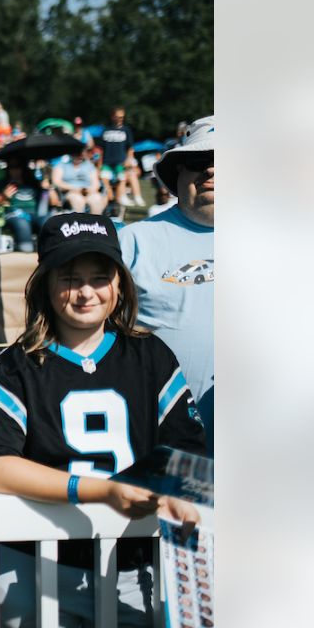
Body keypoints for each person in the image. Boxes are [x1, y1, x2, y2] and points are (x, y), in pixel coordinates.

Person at [0, 213, 206, 626]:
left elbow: (187, 448)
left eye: (99, 277)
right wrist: (101, 491)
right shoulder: (14, 367)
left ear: (120, 283)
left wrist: (177, 488)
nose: (85, 292)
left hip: (133, 564)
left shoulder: (151, 356)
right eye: (69, 278)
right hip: (35, 561)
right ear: (44, 283)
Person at [119, 116, 215, 452]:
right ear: (178, 174)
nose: (212, 171)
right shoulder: (132, 241)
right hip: (164, 446)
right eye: (198, 161)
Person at [0, 156, 49, 252]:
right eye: (11, 167)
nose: (14, 171)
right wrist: (3, 196)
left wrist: (46, 189)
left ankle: (47, 252)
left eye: (17, 167)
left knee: (47, 221)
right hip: (14, 214)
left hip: (35, 214)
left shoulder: (34, 182)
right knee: (22, 224)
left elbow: (54, 202)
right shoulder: (3, 183)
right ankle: (27, 253)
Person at [99, 107, 140, 207]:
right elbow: (101, 149)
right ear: (112, 117)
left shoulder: (126, 130)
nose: (120, 119)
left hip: (120, 162)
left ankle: (121, 197)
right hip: (107, 162)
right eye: (117, 117)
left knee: (122, 178)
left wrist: (129, 159)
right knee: (104, 178)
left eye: (122, 117)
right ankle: (111, 198)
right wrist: (99, 164)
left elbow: (130, 148)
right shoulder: (105, 130)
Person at [52, 146, 108, 214]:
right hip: (70, 192)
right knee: (78, 200)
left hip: (88, 191)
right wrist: (74, 188)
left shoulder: (89, 166)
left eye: (81, 153)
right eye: (77, 153)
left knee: (97, 199)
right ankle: (79, 223)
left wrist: (90, 190)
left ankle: (95, 222)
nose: (79, 156)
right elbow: (56, 182)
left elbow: (96, 183)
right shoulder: (62, 165)